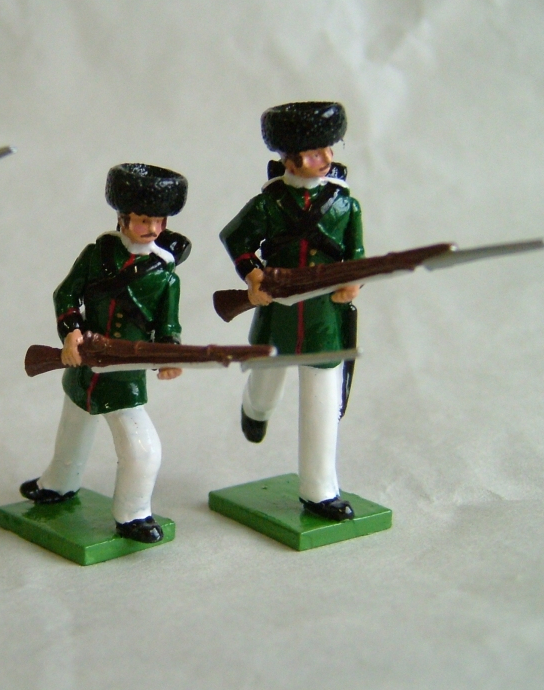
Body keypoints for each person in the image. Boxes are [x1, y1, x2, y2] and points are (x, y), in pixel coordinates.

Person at [21, 163, 189, 542]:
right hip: (82, 366)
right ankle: (58, 483)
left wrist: (170, 356)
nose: (152, 228)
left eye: (159, 221)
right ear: (123, 217)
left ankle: (133, 514)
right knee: (72, 430)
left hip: (122, 376)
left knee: (142, 449)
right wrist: (71, 334)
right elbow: (66, 295)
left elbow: (167, 329)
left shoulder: (165, 277)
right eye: (143, 219)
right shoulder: (97, 255)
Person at [220, 101, 364, 521]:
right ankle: (256, 411)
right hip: (279, 313)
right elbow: (237, 240)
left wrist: (353, 281)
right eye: (313, 153)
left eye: (326, 150)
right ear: (288, 160)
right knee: (266, 383)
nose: (323, 159)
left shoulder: (345, 205)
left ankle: (319, 490)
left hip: (323, 318)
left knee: (322, 404)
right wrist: (253, 275)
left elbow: (356, 253)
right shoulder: (270, 204)